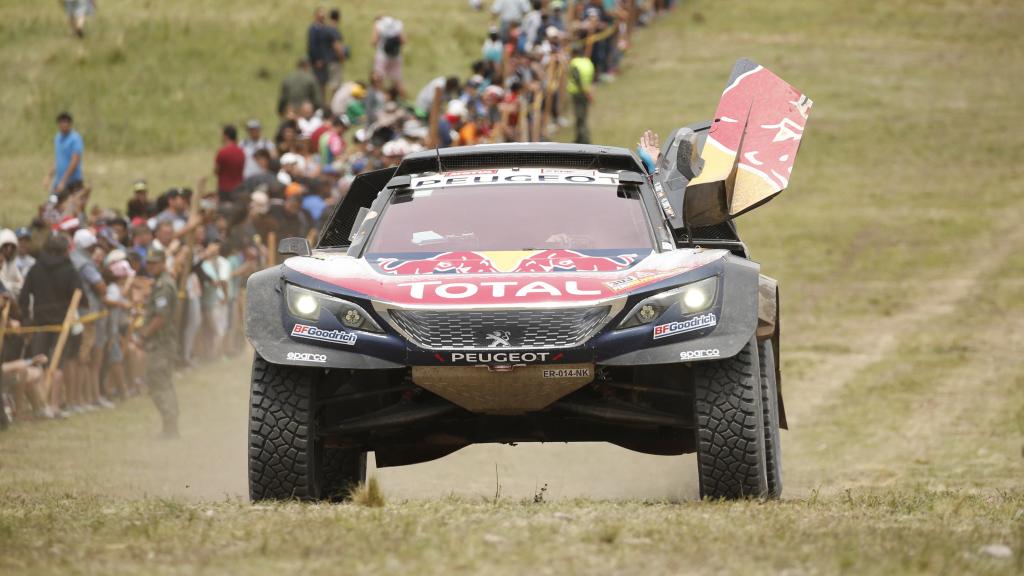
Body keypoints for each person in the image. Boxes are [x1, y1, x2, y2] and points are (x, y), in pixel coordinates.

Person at [19, 234, 83, 416]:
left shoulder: (35, 268)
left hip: (40, 322)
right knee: (57, 364)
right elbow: (80, 296)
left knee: (40, 361)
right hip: (60, 322)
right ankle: (51, 405)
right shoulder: (69, 270)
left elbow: (24, 296)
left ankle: (42, 405)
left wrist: (26, 317)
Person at [135, 248, 179, 438]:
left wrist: (143, 334)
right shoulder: (161, 283)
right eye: (149, 263)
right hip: (162, 343)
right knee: (162, 382)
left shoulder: (163, 285)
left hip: (162, 343)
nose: (150, 266)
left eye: (154, 263)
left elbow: (160, 317)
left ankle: (170, 427)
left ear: (163, 263)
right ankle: (170, 427)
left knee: (159, 382)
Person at [47, 112, 84, 194]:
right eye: (61, 122)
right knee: (51, 204)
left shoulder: (75, 139)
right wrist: (49, 176)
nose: (63, 124)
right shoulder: (58, 138)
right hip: (58, 182)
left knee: (70, 206)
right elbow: (58, 160)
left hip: (73, 183)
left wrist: (64, 181)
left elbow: (74, 161)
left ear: (70, 124)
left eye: (66, 122)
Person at [567, 45, 595, 144]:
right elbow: (591, 78)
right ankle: (579, 138)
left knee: (580, 117)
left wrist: (585, 92)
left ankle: (584, 140)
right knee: (583, 116)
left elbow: (577, 79)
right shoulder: (588, 62)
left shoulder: (574, 63)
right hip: (586, 92)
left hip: (578, 93)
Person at [372, 15, 405, 97]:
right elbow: (403, 40)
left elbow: (374, 41)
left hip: (382, 55)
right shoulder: (396, 24)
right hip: (396, 56)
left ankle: (381, 99)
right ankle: (404, 100)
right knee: (398, 81)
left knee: (378, 79)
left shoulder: (378, 24)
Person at [214, 125, 246, 202]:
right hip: (239, 187)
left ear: (226, 136)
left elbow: (216, 170)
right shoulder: (241, 152)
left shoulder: (222, 152)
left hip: (224, 188)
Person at [0, 230, 24, 299]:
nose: (9, 249)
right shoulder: (1, 264)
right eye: (6, 246)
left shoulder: (13, 265)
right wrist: (14, 285)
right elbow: (4, 286)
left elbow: (22, 285)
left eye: (12, 246)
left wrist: (11, 286)